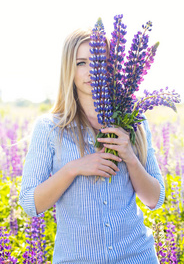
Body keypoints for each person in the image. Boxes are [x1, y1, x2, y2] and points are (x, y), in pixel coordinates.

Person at [19, 27, 165, 264]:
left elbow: (154, 199)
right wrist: (73, 168)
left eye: (99, 61)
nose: (92, 70)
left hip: (137, 256)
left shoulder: (134, 122)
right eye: (81, 63)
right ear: (69, 68)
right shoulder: (49, 128)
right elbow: (29, 204)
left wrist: (129, 155)